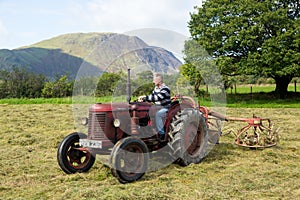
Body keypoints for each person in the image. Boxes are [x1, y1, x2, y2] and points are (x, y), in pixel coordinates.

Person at [138, 73, 171, 140]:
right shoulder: (156, 88)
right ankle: (146, 130)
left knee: (158, 114)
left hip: (166, 108)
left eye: (154, 80)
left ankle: (161, 133)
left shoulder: (165, 89)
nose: (153, 82)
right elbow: (152, 97)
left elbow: (158, 98)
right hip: (157, 107)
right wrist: (143, 101)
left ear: (159, 80)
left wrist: (145, 97)